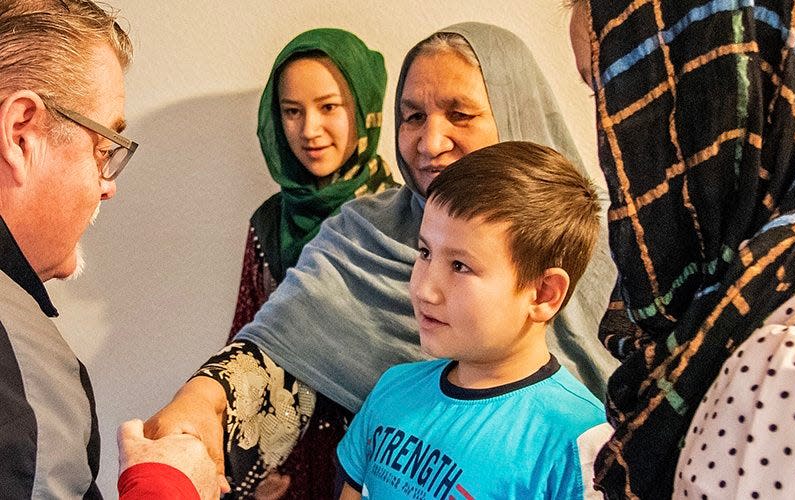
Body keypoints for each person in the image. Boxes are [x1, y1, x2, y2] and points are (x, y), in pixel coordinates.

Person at [146, 22, 619, 498]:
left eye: (460, 114)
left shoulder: (610, 257)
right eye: (413, 116)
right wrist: (204, 400)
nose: (430, 143)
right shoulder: (360, 232)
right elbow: (278, 350)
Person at [569, 0, 795, 497]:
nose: (611, 145)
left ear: (712, 103)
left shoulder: (779, 358)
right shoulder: (718, 309)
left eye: (621, 100)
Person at [0, 1, 220, 497]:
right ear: (21, 134)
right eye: (104, 148)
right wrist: (167, 486)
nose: (108, 185)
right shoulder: (18, 373)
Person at [337, 141, 609, 499]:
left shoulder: (578, 441)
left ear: (543, 294)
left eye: (460, 266)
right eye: (425, 252)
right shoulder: (393, 391)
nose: (424, 290)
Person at [224, 28, 396, 498]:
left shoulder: (403, 217)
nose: (309, 130)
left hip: (382, 457)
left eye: (328, 107)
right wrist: (246, 468)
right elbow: (247, 337)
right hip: (288, 465)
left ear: (364, 109)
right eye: (291, 111)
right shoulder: (270, 222)